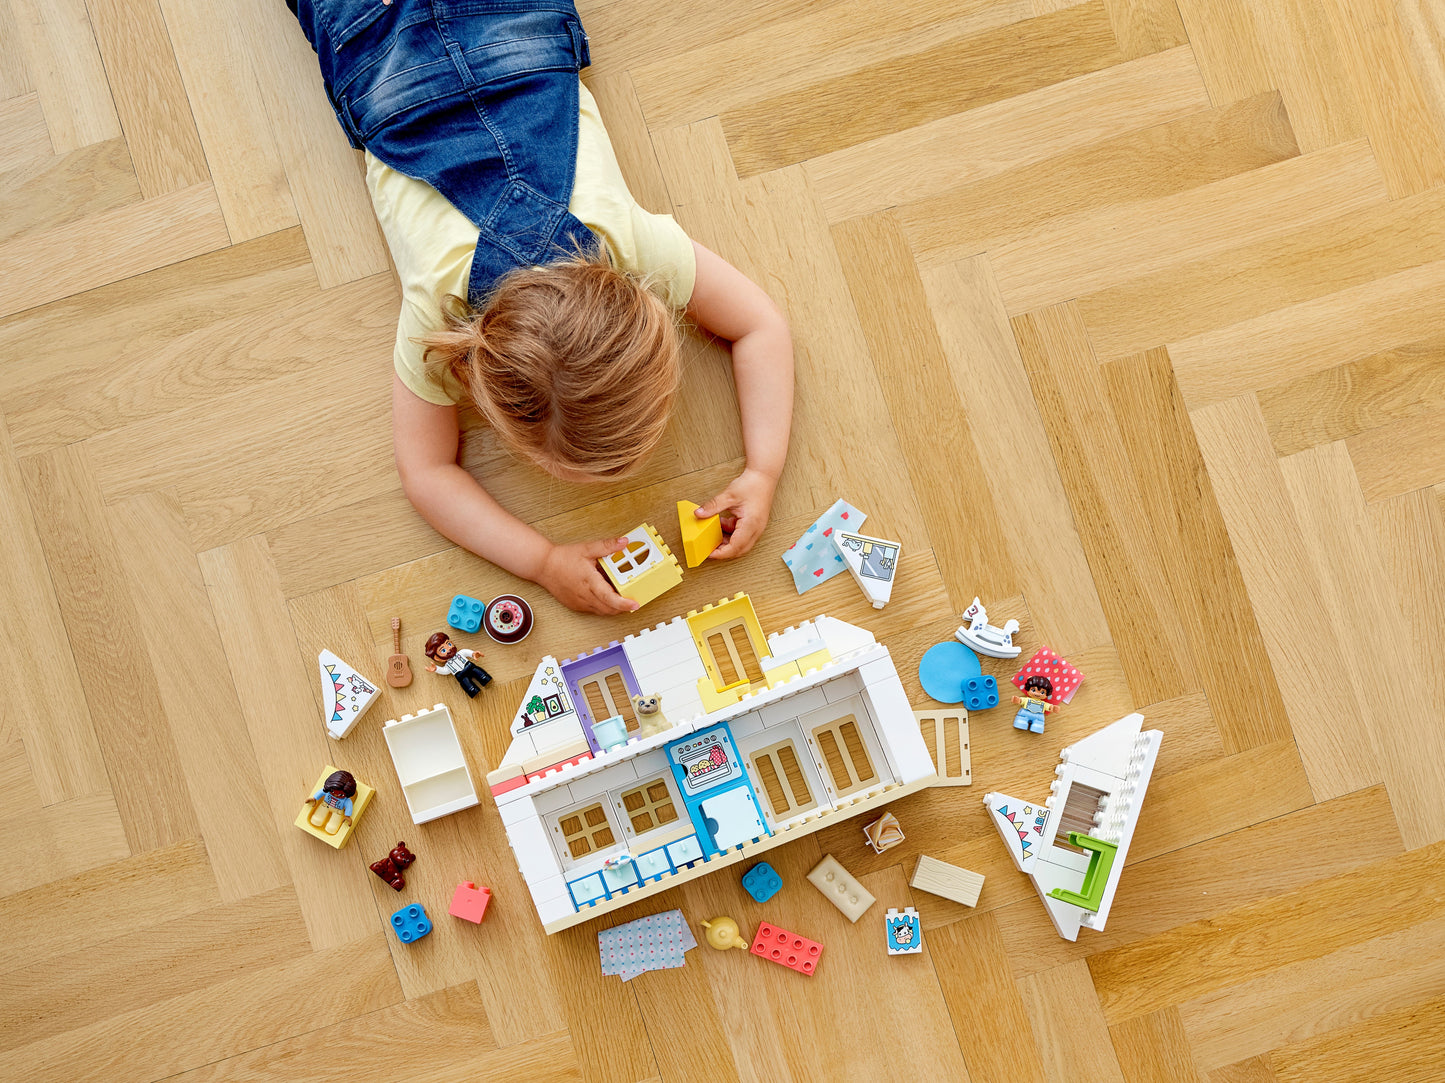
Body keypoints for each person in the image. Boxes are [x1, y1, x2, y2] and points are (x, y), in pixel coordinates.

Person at [289, 0, 795, 614]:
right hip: (383, 60)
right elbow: (425, 475)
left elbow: (760, 327)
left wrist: (763, 470)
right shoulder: (438, 312)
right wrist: (540, 561)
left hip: (508, 31)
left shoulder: (628, 244)